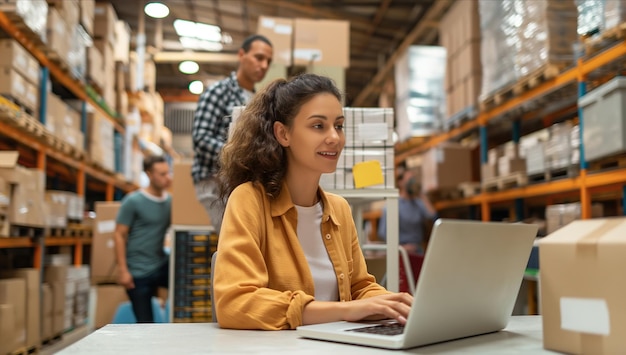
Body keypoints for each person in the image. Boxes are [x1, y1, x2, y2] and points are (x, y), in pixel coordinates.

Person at [212, 73, 413, 330]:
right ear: (283, 134)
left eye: (338, 126)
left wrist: (395, 304)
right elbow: (235, 303)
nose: (334, 138)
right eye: (318, 126)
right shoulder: (249, 200)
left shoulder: (339, 209)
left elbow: (360, 288)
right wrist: (347, 310)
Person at [192, 34, 273, 235]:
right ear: (241, 54)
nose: (264, 65)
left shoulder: (257, 101)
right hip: (214, 183)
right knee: (235, 240)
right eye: (259, 57)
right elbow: (201, 138)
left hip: (241, 182)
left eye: (268, 61)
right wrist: (237, 156)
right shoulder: (219, 92)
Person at [114, 155, 172, 323]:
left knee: (186, 279)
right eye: (161, 174)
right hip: (137, 271)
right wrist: (123, 271)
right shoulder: (133, 201)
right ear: (149, 174)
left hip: (160, 264)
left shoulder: (170, 202)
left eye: (168, 173)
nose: (167, 178)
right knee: (145, 323)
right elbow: (119, 235)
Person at [377, 170, 437, 254]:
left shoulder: (417, 203)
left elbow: (433, 216)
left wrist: (421, 195)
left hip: (417, 249)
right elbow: (383, 234)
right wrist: (402, 248)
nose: (412, 182)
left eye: (413, 179)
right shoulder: (393, 205)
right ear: (401, 182)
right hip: (400, 250)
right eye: (409, 179)